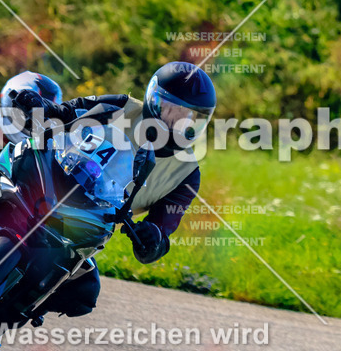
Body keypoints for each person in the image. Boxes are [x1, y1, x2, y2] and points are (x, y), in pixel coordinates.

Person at [12, 62, 216, 317]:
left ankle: (2, 314)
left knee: (83, 295)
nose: (177, 121)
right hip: (44, 180)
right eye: (171, 109)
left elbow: (164, 228)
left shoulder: (187, 174)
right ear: (154, 101)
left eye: (188, 116)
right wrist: (41, 107)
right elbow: (65, 112)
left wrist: (152, 238)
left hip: (80, 227)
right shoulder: (121, 106)